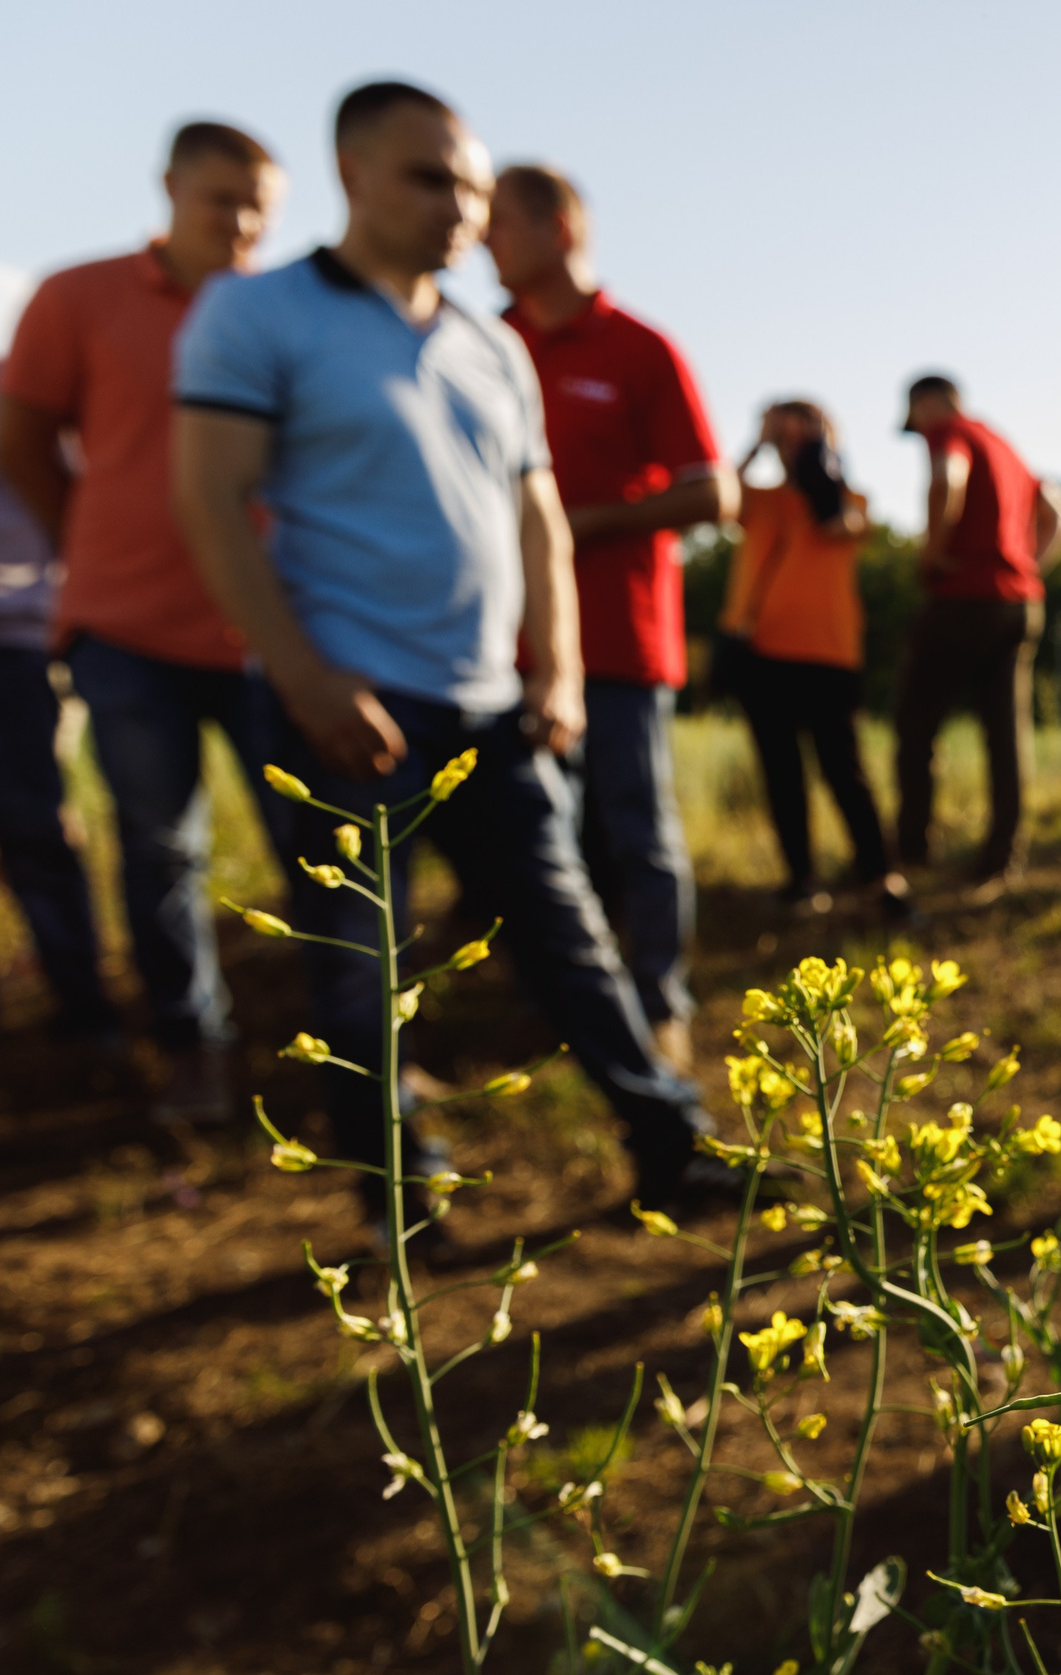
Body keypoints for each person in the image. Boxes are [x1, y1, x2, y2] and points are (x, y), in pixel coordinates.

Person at [170, 80, 713, 1220]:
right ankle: (396, 1193)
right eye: (430, 178)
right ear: (352, 173)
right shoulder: (255, 316)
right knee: (360, 957)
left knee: (570, 935)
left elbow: (539, 523)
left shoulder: (489, 346)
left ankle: (671, 1143)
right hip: (349, 701)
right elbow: (211, 502)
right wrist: (307, 677)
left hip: (493, 707)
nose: (459, 206)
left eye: (471, 184)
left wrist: (556, 673)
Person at [0, 120, 285, 1122]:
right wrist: (92, 537)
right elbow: (23, 434)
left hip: (267, 630)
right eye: (221, 200)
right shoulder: (77, 297)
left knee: (315, 833)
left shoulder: (280, 315)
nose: (241, 224)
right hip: (123, 628)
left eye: (260, 208)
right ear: (169, 188)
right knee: (157, 849)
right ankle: (190, 1044)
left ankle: (362, 1050)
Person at [488, 163, 734, 1070]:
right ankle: (561, 1006)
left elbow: (714, 490)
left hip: (621, 642)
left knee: (638, 831)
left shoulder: (639, 348)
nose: (482, 241)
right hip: (506, 648)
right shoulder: (485, 344)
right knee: (538, 840)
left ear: (559, 228)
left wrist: (587, 524)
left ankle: (660, 1006)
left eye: (500, 224)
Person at [0, 353, 119, 1046]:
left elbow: (73, 496)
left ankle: (87, 1014)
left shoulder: (4, 387)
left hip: (5, 641)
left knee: (33, 833)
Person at [720, 400, 905, 916]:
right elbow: (716, 497)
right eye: (783, 435)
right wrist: (758, 443)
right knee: (782, 772)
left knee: (845, 771)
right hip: (761, 654)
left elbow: (835, 526)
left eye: (801, 434)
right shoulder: (758, 499)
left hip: (829, 654)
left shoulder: (851, 500)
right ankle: (801, 880)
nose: (790, 444)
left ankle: (880, 876)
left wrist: (818, 451)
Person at [893, 375, 1061, 889]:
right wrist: (1031, 567)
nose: (918, 429)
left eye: (915, 418)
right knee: (1006, 734)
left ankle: (912, 847)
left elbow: (946, 480)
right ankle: (1000, 859)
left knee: (915, 723)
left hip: (963, 598)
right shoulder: (1002, 443)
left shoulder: (948, 430)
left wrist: (931, 555)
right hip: (1018, 603)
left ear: (927, 402)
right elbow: (1059, 513)